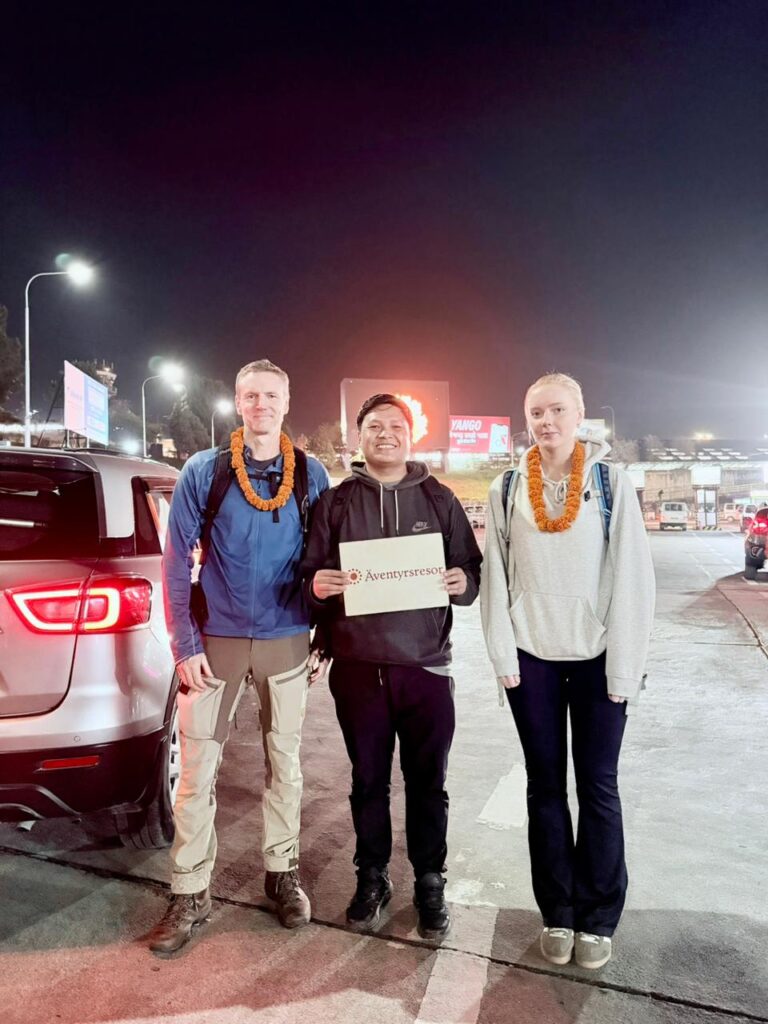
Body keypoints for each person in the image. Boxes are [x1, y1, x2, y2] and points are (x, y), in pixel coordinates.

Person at [147, 359, 330, 954]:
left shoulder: (311, 474)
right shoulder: (205, 470)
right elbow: (176, 561)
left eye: (271, 396)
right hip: (215, 642)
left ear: (286, 402)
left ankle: (282, 875)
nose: (261, 405)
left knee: (286, 763)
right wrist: (184, 645)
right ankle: (189, 891)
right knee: (197, 770)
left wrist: (326, 634)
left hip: (287, 637)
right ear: (237, 401)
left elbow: (328, 557)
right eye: (250, 396)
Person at [480, 372, 654, 970]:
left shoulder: (610, 483)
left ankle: (599, 917)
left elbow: (633, 577)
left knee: (598, 786)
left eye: (557, 410)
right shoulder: (507, 487)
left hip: (599, 657)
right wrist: (503, 656)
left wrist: (625, 667)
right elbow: (495, 577)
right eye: (536, 412)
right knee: (545, 787)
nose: (546, 422)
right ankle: (557, 909)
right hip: (532, 659)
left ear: (580, 416)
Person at [302, 394, 482, 940]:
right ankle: (372, 875)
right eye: (374, 425)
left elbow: (471, 571)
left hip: (426, 668)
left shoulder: (440, 498)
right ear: (358, 437)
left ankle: (430, 879)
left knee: (428, 782)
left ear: (411, 434)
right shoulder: (334, 503)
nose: (386, 433)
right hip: (358, 668)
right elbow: (307, 575)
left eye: (396, 425)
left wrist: (462, 583)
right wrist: (316, 587)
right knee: (368, 781)